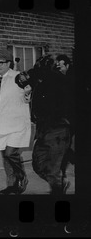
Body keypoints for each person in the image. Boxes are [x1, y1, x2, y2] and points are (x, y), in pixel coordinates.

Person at [15, 55, 72, 195]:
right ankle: (59, 184)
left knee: (53, 170)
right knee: (38, 165)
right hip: (43, 130)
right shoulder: (39, 78)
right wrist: (23, 78)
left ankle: (57, 190)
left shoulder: (60, 80)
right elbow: (20, 80)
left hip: (58, 130)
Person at [0, 48, 32, 195]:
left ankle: (21, 177)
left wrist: (28, 93)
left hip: (17, 123)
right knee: (5, 156)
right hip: (1, 124)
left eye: (1, 63)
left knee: (10, 153)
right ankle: (11, 185)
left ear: (9, 63)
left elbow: (26, 98)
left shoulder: (18, 77)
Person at [55, 54, 75, 183]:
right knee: (62, 147)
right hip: (61, 119)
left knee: (67, 147)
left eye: (61, 66)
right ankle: (61, 173)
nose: (59, 69)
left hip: (73, 119)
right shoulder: (57, 80)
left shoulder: (73, 80)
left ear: (67, 66)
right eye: (57, 66)